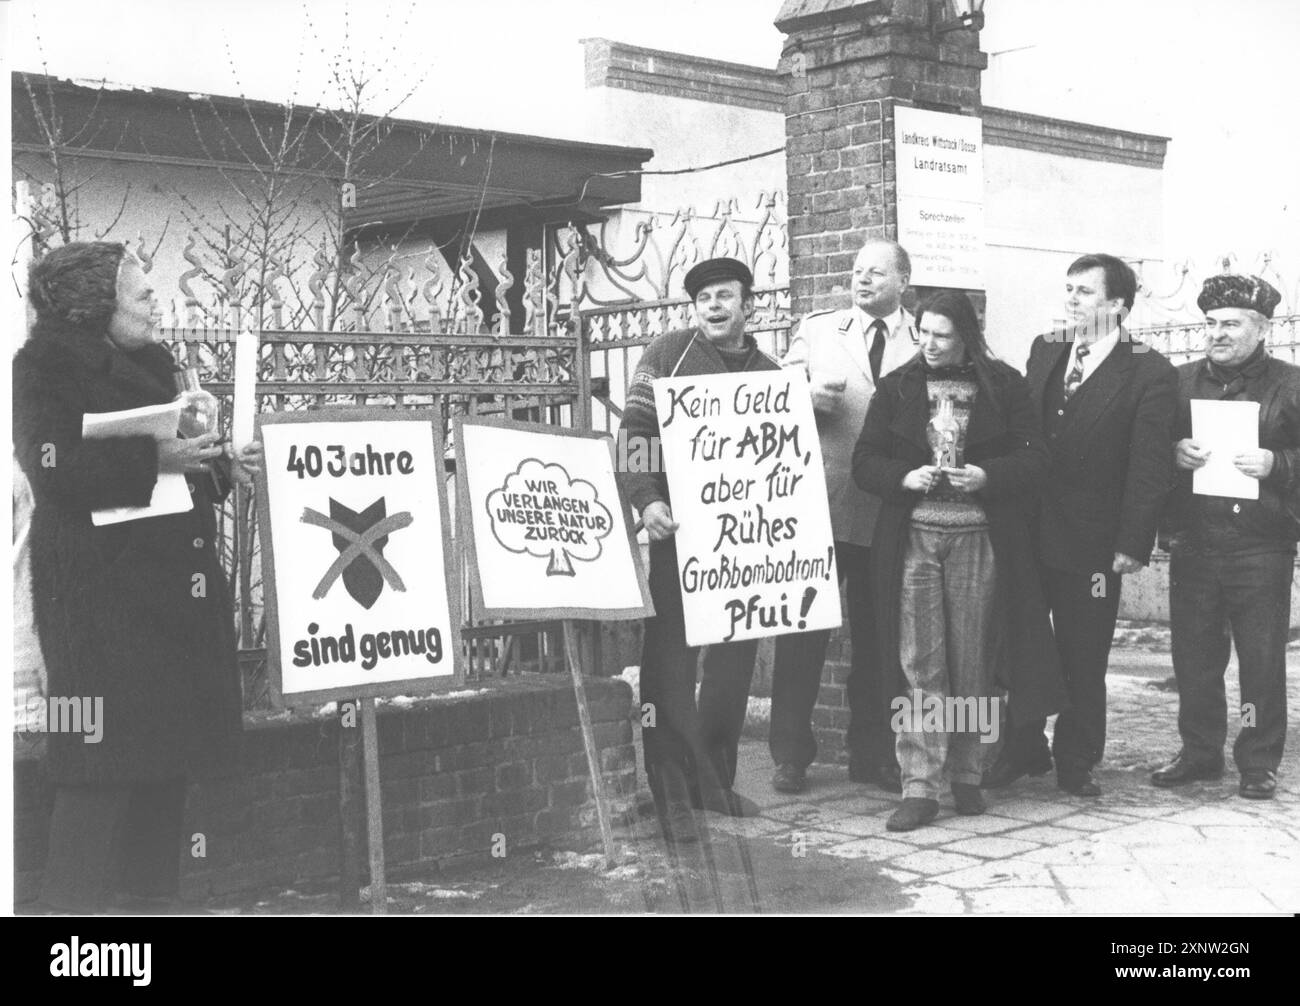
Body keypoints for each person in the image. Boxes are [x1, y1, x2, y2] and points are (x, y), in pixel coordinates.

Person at [13, 241, 263, 912]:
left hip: (167, 609)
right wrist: (160, 457)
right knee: (92, 781)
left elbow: (176, 479)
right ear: (95, 308)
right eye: (140, 293)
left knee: (163, 779)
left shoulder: (153, 362)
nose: (157, 302)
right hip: (92, 614)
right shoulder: (41, 367)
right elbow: (53, 468)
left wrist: (217, 463)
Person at [853, 290, 1065, 831]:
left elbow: (1037, 456)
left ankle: (968, 775)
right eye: (922, 331)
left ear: (966, 336)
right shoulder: (898, 386)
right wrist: (903, 478)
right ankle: (919, 786)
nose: (928, 343)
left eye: (941, 334)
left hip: (980, 540)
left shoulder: (1004, 385)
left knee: (974, 660)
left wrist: (989, 476)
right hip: (915, 540)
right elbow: (865, 460)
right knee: (919, 662)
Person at [987, 253, 1177, 797]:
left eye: (1085, 292)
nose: (1071, 299)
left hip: (1094, 542)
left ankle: (1076, 759)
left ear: (1117, 305)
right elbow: (1022, 432)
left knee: (1083, 651)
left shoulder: (1148, 368)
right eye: (1068, 289)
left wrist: (1133, 541)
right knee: (1019, 642)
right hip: (1029, 531)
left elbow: (1149, 464)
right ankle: (1021, 749)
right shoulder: (1047, 349)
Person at [618, 256, 776, 842]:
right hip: (679, 534)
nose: (713, 306)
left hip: (746, 542)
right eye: (704, 297)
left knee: (734, 662)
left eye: (725, 296)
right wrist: (646, 500)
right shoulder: (666, 356)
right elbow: (636, 436)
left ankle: (716, 780)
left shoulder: (769, 372)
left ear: (747, 305)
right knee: (670, 662)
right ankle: (671, 792)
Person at [768, 239, 916, 795]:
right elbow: (773, 397)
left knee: (882, 640)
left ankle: (873, 754)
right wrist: (803, 395)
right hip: (820, 506)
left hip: (890, 512)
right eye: (857, 272)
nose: (863, 280)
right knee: (803, 633)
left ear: (904, 280)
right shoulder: (818, 328)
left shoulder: (924, 336)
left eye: (877, 273)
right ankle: (789, 755)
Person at [1152, 274, 1293, 800]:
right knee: (1193, 656)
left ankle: (1258, 760)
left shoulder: (1291, 383)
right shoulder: (1179, 380)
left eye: (1231, 323)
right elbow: (1147, 446)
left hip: (1260, 544)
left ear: (1262, 329)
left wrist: (1277, 462)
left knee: (1260, 659)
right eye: (1211, 323)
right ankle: (1199, 752)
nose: (1218, 332)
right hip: (1194, 540)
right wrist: (1174, 452)